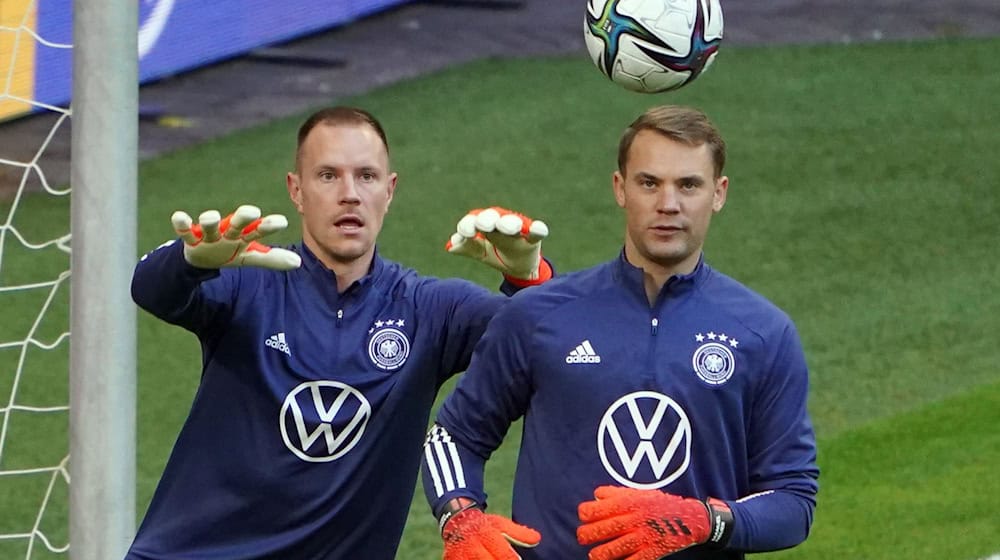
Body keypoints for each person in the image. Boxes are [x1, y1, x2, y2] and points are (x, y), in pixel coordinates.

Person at [126, 106, 553, 559]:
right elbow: (150, 290)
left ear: (389, 191)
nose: (349, 195)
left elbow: (546, 344)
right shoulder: (248, 279)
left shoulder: (430, 310)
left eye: (366, 177)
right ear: (297, 190)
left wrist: (529, 279)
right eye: (328, 176)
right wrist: (191, 261)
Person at [421, 104, 819, 560]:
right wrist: (460, 516)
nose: (668, 204)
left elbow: (793, 501)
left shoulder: (763, 334)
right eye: (649, 183)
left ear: (719, 193)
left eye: (688, 185)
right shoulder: (539, 316)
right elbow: (454, 435)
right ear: (620, 188)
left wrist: (705, 522)